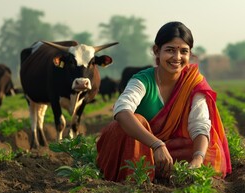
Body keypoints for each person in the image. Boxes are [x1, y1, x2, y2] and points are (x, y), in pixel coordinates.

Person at [96, 21, 231, 182]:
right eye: (170, 50)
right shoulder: (143, 80)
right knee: (133, 123)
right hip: (138, 147)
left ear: (190, 54)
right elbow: (122, 111)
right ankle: (136, 178)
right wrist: (157, 145)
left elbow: (200, 124)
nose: (177, 57)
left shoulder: (193, 83)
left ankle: (165, 171)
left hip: (168, 149)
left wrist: (197, 158)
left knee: (200, 148)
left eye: (183, 51)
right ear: (156, 51)